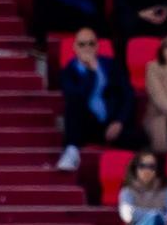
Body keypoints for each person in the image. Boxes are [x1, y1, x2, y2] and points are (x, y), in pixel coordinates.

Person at [57, 29, 136, 172]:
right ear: (75, 47)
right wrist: (91, 72)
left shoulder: (111, 65)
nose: (87, 48)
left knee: (138, 138)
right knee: (72, 104)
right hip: (86, 124)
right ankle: (71, 150)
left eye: (91, 43)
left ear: (97, 46)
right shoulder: (68, 71)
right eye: (82, 44)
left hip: (111, 122)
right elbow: (77, 96)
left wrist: (119, 121)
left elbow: (128, 94)